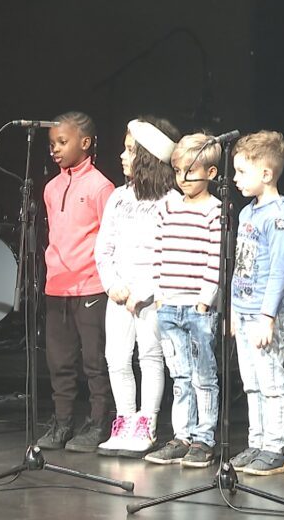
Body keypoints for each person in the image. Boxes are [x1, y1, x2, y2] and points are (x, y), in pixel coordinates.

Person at [94, 117, 180, 458]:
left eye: (130, 151)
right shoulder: (117, 197)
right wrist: (113, 284)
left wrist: (145, 291)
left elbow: (170, 252)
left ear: (147, 158)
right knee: (116, 357)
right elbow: (104, 247)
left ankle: (147, 423)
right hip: (118, 295)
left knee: (150, 356)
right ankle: (125, 419)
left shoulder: (170, 201)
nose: (122, 156)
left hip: (151, 297)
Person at [35, 111, 116, 452]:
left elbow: (111, 238)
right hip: (58, 285)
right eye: (52, 143)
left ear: (85, 143)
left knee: (94, 361)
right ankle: (62, 422)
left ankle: (99, 421)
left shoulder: (101, 186)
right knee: (59, 362)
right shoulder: (51, 188)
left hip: (91, 285)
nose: (55, 149)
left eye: (63, 142)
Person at [144, 133, 222, 468]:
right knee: (180, 376)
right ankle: (182, 435)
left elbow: (215, 258)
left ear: (211, 173)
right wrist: (160, 296)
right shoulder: (168, 206)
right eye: (178, 171)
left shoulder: (215, 210)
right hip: (169, 305)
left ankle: (204, 439)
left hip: (197, 308)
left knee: (203, 376)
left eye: (191, 171)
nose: (184, 179)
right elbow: (158, 251)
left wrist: (205, 300)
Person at [228, 131, 284, 475]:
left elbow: (278, 272)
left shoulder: (279, 217)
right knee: (251, 383)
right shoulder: (247, 214)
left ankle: (275, 447)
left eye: (242, 172)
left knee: (270, 382)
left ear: (266, 174)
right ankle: (256, 441)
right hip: (242, 311)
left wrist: (267, 317)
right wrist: (232, 309)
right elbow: (241, 265)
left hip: (263, 313)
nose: (236, 179)